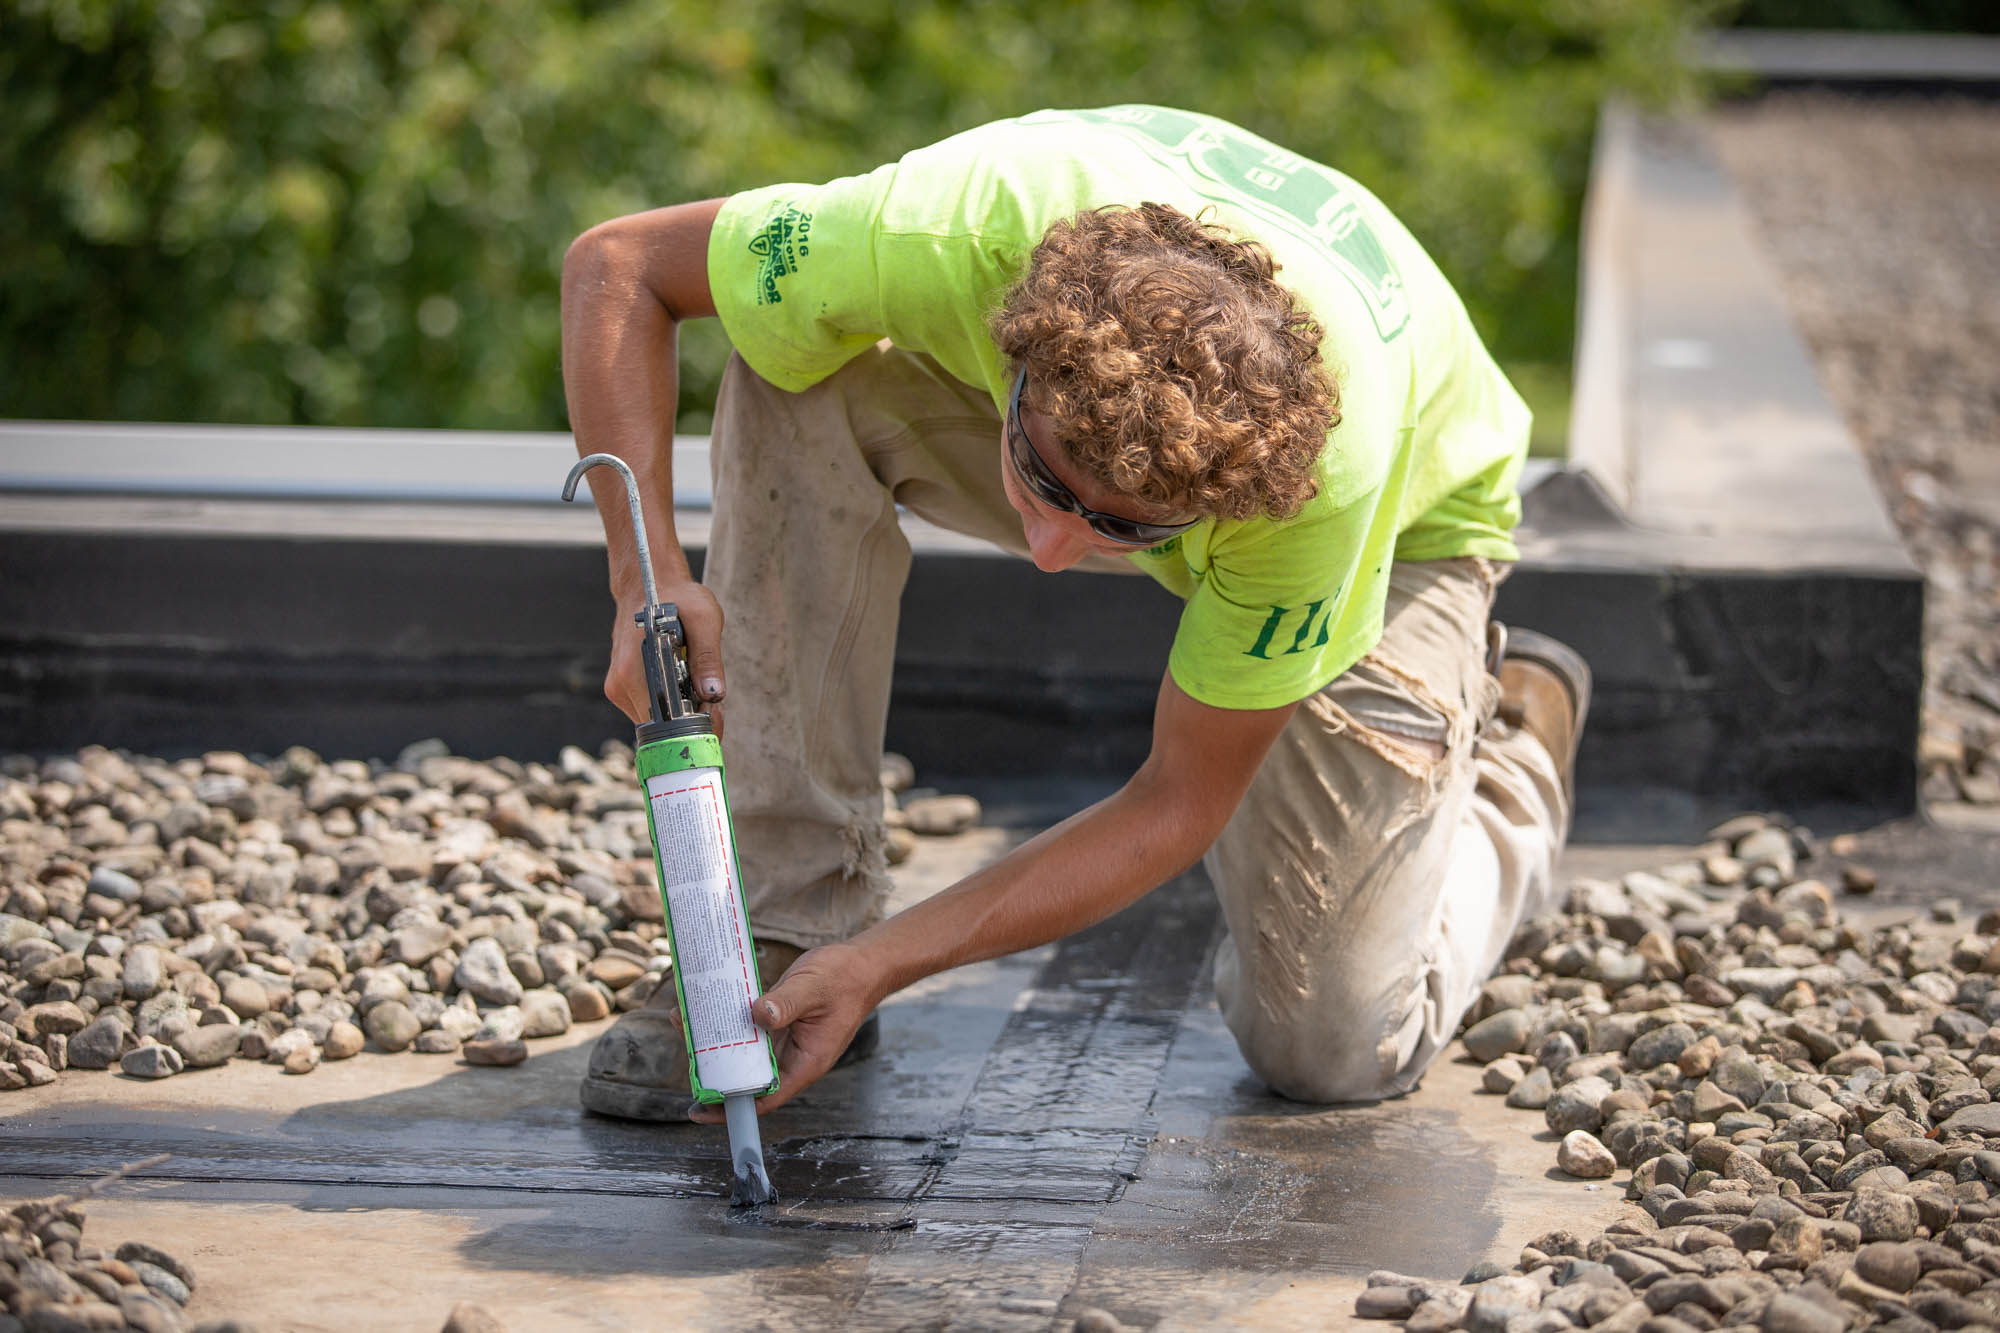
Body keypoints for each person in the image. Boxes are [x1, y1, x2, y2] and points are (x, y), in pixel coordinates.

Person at [559, 105, 1589, 1123]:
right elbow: (617, 265)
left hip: (1413, 526)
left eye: (1117, 528)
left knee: (1328, 1046)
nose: (1048, 557)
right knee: (794, 367)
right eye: (1038, 481)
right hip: (1109, 405)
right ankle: (784, 929)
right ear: (1015, 356)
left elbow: (1175, 803)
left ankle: (1513, 763)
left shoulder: (1317, 491)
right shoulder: (942, 231)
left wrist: (882, 964)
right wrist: (640, 577)